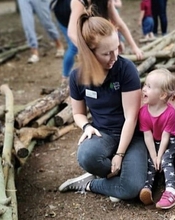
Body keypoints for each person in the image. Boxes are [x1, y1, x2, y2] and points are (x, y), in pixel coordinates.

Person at [58, 12, 148, 202]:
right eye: (106, 53)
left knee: (131, 188)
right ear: (90, 53)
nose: (114, 56)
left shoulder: (126, 69)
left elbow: (131, 118)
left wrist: (119, 154)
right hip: (104, 135)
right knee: (86, 155)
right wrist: (86, 126)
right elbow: (78, 113)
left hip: (132, 136)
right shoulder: (77, 77)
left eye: (116, 49)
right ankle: (116, 181)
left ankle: (91, 184)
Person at [138, 68, 175, 209]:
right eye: (145, 85)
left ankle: (171, 191)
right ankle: (147, 188)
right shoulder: (143, 112)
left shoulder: (170, 112)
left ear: (162, 95)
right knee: (150, 161)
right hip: (154, 141)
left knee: (166, 160)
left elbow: (166, 135)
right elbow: (147, 135)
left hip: (170, 140)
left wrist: (160, 155)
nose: (144, 89)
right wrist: (154, 155)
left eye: (149, 87)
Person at [68, 0, 143, 60]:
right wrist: (89, 51)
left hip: (102, 38)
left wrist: (134, 47)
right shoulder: (79, 2)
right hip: (88, 41)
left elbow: (119, 23)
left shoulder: (107, 1)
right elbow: (72, 33)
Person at [51, 0, 78, 83]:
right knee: (73, 47)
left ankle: (66, 76)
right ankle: (65, 76)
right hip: (64, 16)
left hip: (68, 12)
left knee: (74, 46)